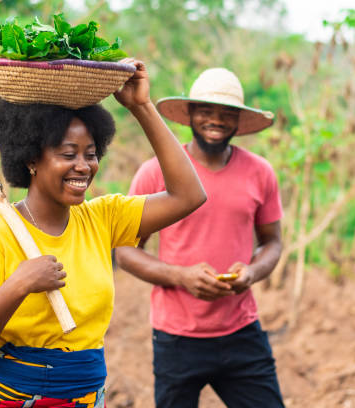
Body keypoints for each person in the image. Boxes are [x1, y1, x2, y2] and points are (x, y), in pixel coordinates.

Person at [0, 59, 206, 408]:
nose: (83, 166)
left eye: (91, 154)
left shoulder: (102, 218)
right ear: (31, 159)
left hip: (85, 398)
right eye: (68, 154)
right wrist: (19, 285)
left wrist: (142, 107)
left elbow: (189, 195)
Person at [115, 67, 285, 408]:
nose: (215, 120)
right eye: (206, 110)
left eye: (226, 114)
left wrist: (251, 272)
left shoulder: (260, 172)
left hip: (242, 332)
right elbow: (126, 251)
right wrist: (181, 276)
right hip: (176, 336)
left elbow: (272, 242)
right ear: (190, 113)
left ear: (238, 121)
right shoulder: (155, 172)